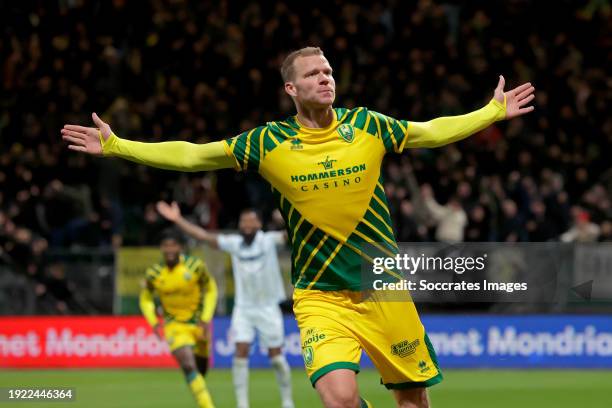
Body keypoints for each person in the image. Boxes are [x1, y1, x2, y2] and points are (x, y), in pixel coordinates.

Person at [62, 46, 535, 408]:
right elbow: (193, 153)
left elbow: (430, 131)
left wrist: (491, 111)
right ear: (291, 89)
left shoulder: (368, 125)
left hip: (382, 289)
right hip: (320, 296)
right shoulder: (269, 142)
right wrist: (120, 145)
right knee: (339, 399)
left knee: (413, 401)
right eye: (313, 73)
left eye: (328, 71)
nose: (325, 78)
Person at [156, 202, 294, 408]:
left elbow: (293, 234)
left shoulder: (269, 241)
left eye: (251, 221)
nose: (246, 225)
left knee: (276, 357)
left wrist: (286, 217)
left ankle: (287, 401)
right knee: (240, 354)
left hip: (268, 306)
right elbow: (203, 236)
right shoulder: (234, 243)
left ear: (259, 224)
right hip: (243, 309)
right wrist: (178, 219)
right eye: (243, 222)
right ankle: (242, 404)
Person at [139, 229, 218, 408]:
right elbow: (145, 298)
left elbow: (211, 289)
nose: (169, 250)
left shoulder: (195, 267)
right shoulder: (154, 273)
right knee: (188, 366)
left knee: (201, 371)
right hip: (174, 325)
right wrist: (153, 322)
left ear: (180, 247)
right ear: (161, 248)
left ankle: (202, 399)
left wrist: (205, 318)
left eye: (173, 245)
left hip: (199, 325)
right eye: (166, 246)